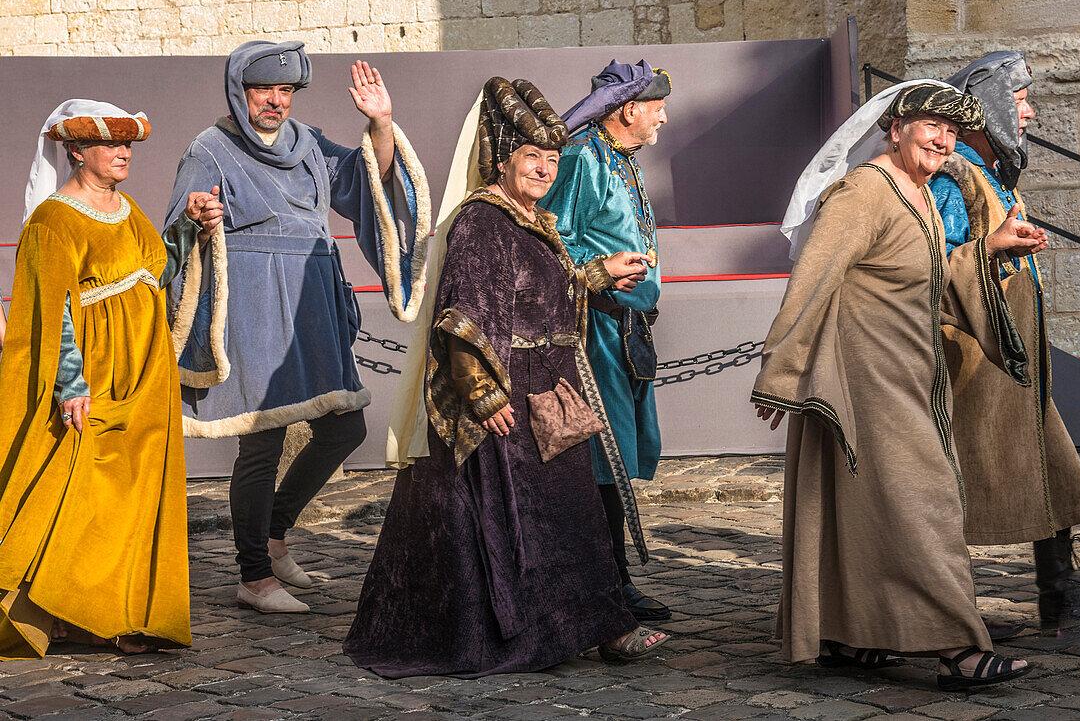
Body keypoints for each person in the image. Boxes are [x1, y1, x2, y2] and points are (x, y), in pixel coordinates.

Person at [344, 77, 668, 677]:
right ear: (502, 158)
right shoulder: (480, 221)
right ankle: (524, 632)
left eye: (551, 159)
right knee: (509, 526)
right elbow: (464, 316)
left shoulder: (532, 218)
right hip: (506, 405)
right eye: (532, 158)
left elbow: (544, 293)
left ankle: (600, 627)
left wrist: (596, 274)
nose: (545, 169)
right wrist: (483, 393)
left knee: (571, 521)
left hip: (550, 393)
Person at [752, 82, 1047, 690]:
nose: (943, 140)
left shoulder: (916, 193)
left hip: (910, 375)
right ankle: (957, 649)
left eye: (951, 130)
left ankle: (848, 634)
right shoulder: (863, 193)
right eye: (930, 127)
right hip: (867, 384)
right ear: (895, 129)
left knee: (860, 509)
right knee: (926, 506)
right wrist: (782, 372)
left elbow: (927, 279)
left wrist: (989, 248)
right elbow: (812, 280)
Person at [165, 41, 430, 614]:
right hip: (255, 310)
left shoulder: (306, 142)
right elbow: (175, 227)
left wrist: (381, 123)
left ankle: (274, 532)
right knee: (261, 443)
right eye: (266, 89)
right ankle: (253, 575)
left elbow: (367, 182)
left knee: (345, 429)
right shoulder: (210, 150)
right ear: (241, 90)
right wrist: (195, 216)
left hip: (312, 307)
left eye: (286, 91)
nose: (277, 101)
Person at [0, 100, 220, 659]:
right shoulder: (53, 220)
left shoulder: (126, 208)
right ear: (77, 151)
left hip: (146, 376)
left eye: (129, 143)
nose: (124, 152)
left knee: (135, 494)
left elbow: (155, 270)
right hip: (94, 377)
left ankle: (121, 613)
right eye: (111, 144)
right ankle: (65, 611)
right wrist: (70, 383)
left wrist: (188, 228)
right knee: (83, 493)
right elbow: (54, 312)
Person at [930, 51, 1080, 636]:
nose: (1028, 112)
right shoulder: (956, 176)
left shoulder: (992, 173)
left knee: (1052, 471)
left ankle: (1060, 606)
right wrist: (998, 248)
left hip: (1011, 361)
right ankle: (950, 618)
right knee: (957, 486)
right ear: (986, 108)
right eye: (1020, 100)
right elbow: (936, 267)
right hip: (975, 359)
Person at [539, 59, 671, 622]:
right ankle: (605, 585)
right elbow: (548, 239)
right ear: (630, 110)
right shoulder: (581, 160)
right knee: (599, 459)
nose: (664, 118)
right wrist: (601, 269)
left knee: (614, 458)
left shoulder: (621, 160)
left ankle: (609, 581)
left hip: (625, 329)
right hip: (592, 330)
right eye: (658, 108)